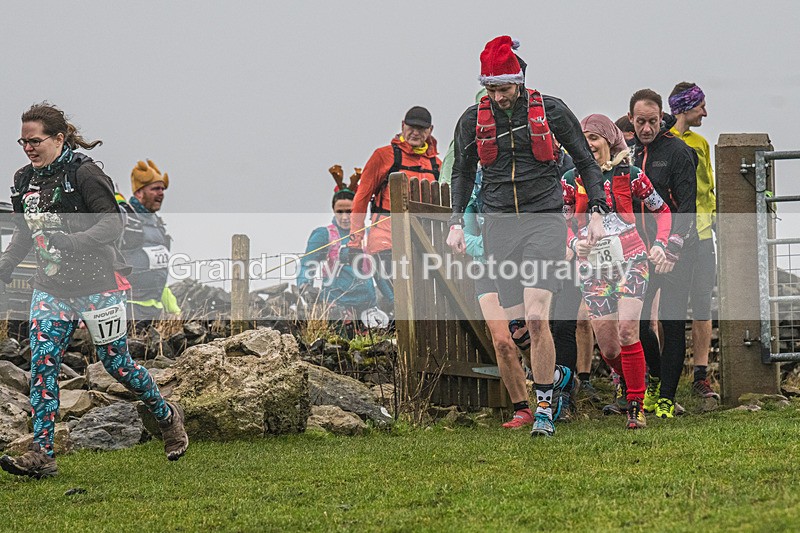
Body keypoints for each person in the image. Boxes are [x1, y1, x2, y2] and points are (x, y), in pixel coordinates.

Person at [0, 103, 187, 479]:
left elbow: (112, 225)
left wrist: (73, 241)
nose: (28, 148)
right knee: (42, 364)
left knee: (116, 364)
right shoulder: (24, 180)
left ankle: (167, 416)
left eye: (35, 141)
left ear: (58, 138)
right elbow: (25, 231)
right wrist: (4, 268)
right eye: (23, 141)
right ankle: (43, 455)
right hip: (51, 289)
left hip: (98, 285)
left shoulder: (85, 174)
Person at [447, 36, 608, 437]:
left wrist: (598, 211)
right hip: (499, 224)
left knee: (538, 319)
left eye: (503, 87)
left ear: (518, 80)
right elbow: (462, 173)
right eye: (491, 88)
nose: (498, 96)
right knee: (517, 329)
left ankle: (543, 408)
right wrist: (455, 222)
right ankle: (560, 377)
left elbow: (585, 159)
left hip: (543, 219)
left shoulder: (551, 110)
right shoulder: (471, 120)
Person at [562, 113, 673, 429]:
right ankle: (629, 379)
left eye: (594, 138)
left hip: (632, 261)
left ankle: (636, 405)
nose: (589, 145)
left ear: (609, 140)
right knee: (609, 346)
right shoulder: (571, 180)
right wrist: (574, 244)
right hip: (594, 268)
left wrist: (661, 244)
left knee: (628, 330)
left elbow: (662, 210)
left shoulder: (632, 174)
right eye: (583, 139)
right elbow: (563, 222)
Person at [628, 89, 698, 418]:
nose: (646, 128)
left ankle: (667, 397)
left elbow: (687, 206)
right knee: (640, 323)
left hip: (678, 249)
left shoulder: (677, 152)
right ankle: (654, 378)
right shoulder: (625, 152)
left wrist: (673, 248)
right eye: (640, 121)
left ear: (662, 119)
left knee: (671, 322)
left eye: (652, 121)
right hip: (642, 252)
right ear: (631, 119)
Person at [345, 106, 441, 308]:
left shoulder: (437, 165)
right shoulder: (383, 156)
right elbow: (361, 198)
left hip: (423, 244)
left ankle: (396, 336)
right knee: (399, 299)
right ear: (402, 126)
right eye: (411, 127)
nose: (415, 132)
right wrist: (355, 242)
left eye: (421, 128)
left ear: (430, 130)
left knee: (421, 300)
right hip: (385, 242)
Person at [668, 82, 720, 404]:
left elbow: (709, 188)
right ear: (685, 107)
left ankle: (700, 376)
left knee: (703, 307)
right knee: (666, 312)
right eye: (700, 105)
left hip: (702, 235)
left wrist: (714, 222)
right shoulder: (662, 142)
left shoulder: (701, 143)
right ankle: (663, 377)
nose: (705, 111)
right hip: (672, 238)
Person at [296, 166, 378, 329]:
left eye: (350, 211)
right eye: (340, 211)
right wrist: (304, 285)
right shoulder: (323, 235)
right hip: (336, 306)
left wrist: (393, 299)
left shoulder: (369, 234)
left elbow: (381, 270)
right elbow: (307, 263)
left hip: (367, 306)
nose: (345, 217)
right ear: (334, 210)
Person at [118, 159, 181, 324]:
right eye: (155, 189)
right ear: (138, 192)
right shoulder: (124, 219)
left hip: (154, 313)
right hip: (127, 310)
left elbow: (160, 272)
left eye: (162, 189)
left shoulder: (158, 224)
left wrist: (173, 309)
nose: (161, 193)